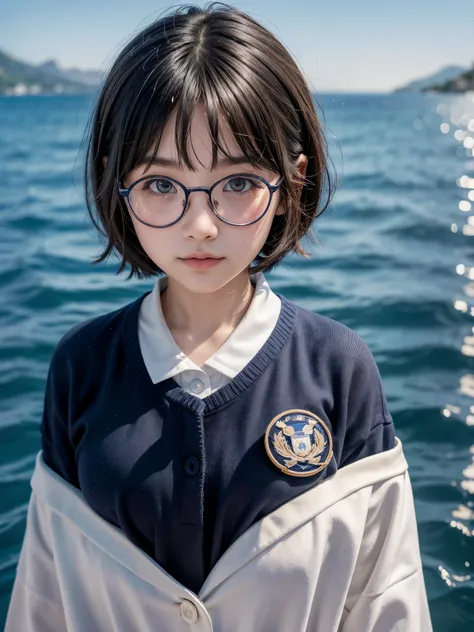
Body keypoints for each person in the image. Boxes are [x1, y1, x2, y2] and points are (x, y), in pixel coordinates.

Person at [5, 3, 433, 631]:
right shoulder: (81, 366)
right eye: (159, 184)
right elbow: (44, 594)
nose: (200, 225)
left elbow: (385, 596)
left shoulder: (339, 369)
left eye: (237, 182)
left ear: (291, 181)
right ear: (114, 183)